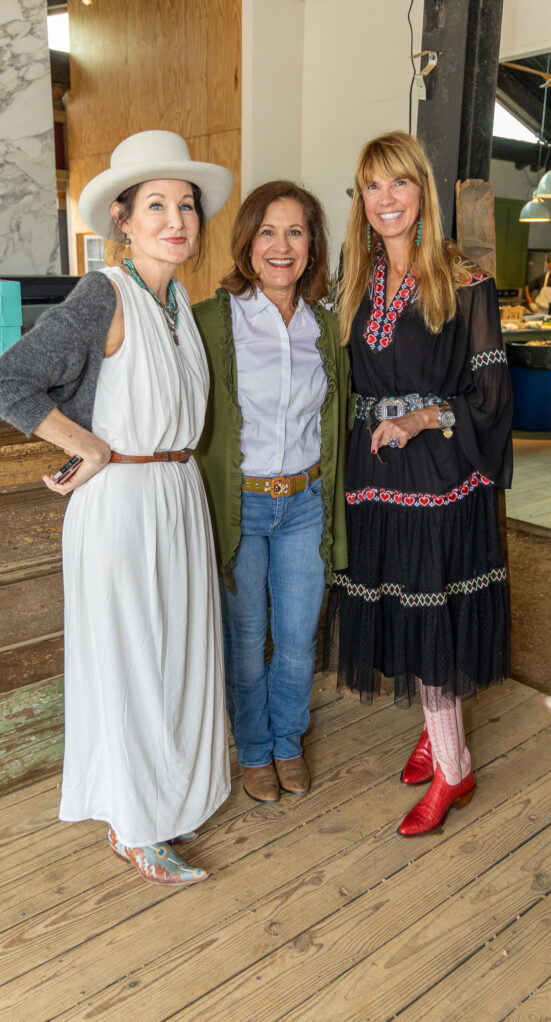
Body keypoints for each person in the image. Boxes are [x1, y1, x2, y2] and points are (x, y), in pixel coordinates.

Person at [0, 130, 234, 885]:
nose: (175, 217)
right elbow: (6, 383)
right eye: (155, 204)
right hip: (121, 502)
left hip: (177, 495)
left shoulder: (181, 303)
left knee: (179, 654)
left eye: (185, 204)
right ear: (122, 219)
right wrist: (86, 448)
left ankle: (170, 800)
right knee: (130, 665)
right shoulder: (103, 293)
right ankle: (133, 823)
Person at [325, 131, 513, 835]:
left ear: (420, 192)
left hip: (436, 473)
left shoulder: (464, 280)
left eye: (398, 183)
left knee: (431, 613)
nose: (385, 200)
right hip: (370, 474)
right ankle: (440, 732)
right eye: (371, 186)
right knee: (403, 609)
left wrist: (420, 417)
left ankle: (453, 771)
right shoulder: (352, 273)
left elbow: (491, 398)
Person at [192, 181, 350, 804]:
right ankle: (254, 749)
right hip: (242, 506)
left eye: (296, 232)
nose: (282, 246)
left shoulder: (327, 328)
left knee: (297, 640)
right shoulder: (214, 320)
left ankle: (288, 741)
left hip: (305, 504)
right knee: (244, 637)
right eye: (268, 231)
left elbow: (339, 418)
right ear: (247, 244)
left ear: (312, 246)